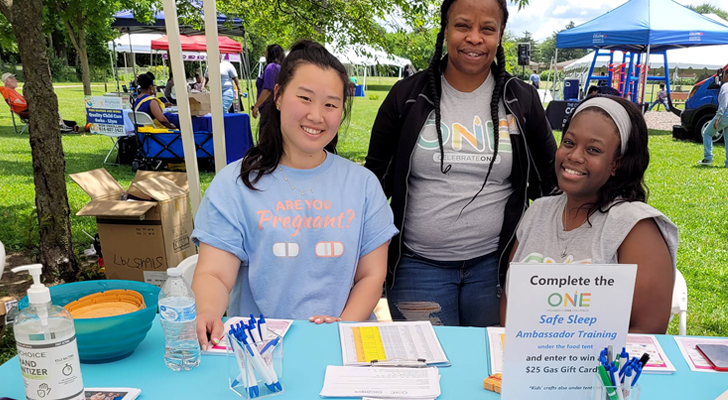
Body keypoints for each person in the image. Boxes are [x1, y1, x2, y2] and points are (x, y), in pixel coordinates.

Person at [192, 40, 398, 350]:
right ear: (277, 97)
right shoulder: (234, 185)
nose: (317, 115)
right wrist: (208, 311)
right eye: (304, 98)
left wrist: (342, 327)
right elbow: (214, 274)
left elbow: (371, 276)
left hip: (347, 344)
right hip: (262, 350)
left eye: (330, 104)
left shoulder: (364, 185)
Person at [364, 0, 557, 327]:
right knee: (430, 366)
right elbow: (373, 184)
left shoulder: (520, 99)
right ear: (446, 30)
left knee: (491, 366)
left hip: (496, 269)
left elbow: (550, 183)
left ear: (500, 36)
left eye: (487, 28)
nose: (474, 38)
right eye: (463, 25)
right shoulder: (407, 96)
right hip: (417, 269)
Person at [501, 94, 679, 334]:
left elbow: (648, 330)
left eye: (593, 149)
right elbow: (509, 302)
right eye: (569, 143)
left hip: (596, 370)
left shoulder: (634, 227)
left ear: (617, 163)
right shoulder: (538, 212)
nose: (574, 156)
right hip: (525, 364)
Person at [700, 57, 728, 168]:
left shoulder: (725, 86)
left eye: (724, 75)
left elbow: (723, 104)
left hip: (727, 113)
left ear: (727, 76)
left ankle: (708, 158)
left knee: (707, 133)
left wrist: (717, 118)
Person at [0, 72, 77, 132]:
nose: (15, 80)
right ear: (6, 81)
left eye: (14, 78)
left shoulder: (12, 91)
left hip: (28, 108)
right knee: (49, 105)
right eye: (12, 78)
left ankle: (62, 125)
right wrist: (33, 103)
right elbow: (17, 102)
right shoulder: (8, 91)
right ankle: (61, 125)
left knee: (49, 103)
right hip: (26, 110)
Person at [252, 44, 284, 119]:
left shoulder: (272, 67)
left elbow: (268, 89)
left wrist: (257, 106)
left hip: (269, 107)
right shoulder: (280, 67)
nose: (265, 55)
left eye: (266, 52)